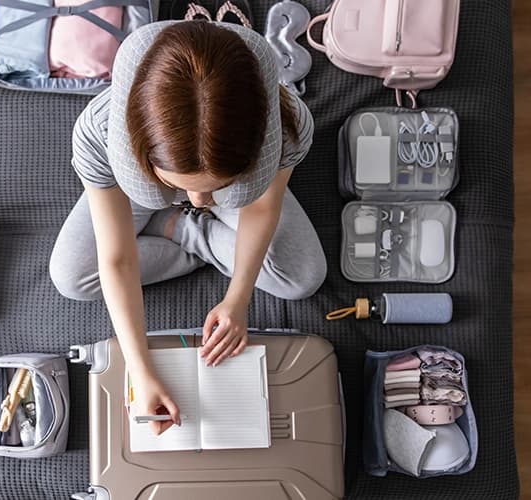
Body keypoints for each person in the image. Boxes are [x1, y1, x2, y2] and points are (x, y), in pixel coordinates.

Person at [49, 21, 326, 435]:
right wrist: (139, 371)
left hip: (231, 205)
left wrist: (238, 300)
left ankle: (185, 230)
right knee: (72, 277)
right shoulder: (98, 132)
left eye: (216, 189)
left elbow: (260, 210)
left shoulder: (288, 128)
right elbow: (116, 257)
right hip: (136, 199)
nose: (200, 202)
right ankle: (184, 224)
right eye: (182, 189)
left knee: (303, 277)